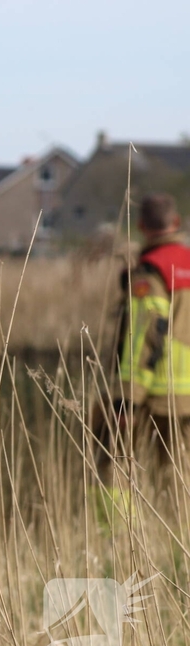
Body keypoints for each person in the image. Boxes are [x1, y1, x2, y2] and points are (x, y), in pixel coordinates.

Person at [95, 192, 190, 526]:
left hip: (157, 391)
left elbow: (146, 335)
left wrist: (126, 400)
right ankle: (179, 543)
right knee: (179, 475)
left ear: (141, 227)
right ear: (176, 223)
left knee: (110, 458)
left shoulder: (149, 272)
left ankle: (118, 535)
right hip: (186, 397)